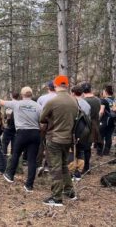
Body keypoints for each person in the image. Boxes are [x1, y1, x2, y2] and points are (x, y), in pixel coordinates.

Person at [40, 75, 78, 206]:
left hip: (54, 138)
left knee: (55, 168)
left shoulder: (52, 101)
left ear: (55, 86)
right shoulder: (74, 101)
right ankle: (70, 191)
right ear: (66, 86)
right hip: (68, 139)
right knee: (63, 166)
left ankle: (56, 198)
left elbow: (42, 118)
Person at [1, 87, 42, 192]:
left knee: (16, 154)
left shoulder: (17, 104)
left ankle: (10, 175)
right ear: (31, 94)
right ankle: (29, 185)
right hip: (35, 133)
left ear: (22, 94)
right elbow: (42, 121)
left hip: (22, 133)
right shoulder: (38, 106)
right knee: (32, 159)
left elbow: (1, 102)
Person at [36, 81, 57, 175]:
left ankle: (38, 165)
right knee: (50, 144)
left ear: (48, 88)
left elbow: (37, 111)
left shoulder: (42, 98)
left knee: (40, 144)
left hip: (42, 123)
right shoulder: (59, 98)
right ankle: (47, 166)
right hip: (55, 124)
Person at [71, 85, 91, 180]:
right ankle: (78, 173)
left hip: (74, 129)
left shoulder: (72, 103)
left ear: (73, 93)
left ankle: (71, 172)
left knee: (71, 151)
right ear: (82, 93)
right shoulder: (87, 104)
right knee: (81, 150)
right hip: (84, 130)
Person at [82, 82, 102, 173]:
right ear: (90, 89)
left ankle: (85, 167)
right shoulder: (97, 100)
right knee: (88, 147)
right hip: (95, 126)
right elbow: (99, 113)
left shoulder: (83, 101)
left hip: (85, 126)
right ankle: (87, 166)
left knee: (83, 147)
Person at [99, 85, 116, 156]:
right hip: (113, 120)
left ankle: (99, 151)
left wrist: (99, 118)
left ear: (106, 92)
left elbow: (101, 111)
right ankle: (106, 151)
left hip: (104, 120)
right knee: (109, 136)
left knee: (101, 135)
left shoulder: (103, 100)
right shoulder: (114, 100)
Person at [1, 92, 19, 157]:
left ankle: (4, 156)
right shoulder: (20, 104)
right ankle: (13, 158)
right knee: (14, 143)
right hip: (17, 127)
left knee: (4, 143)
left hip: (8, 127)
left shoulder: (9, 104)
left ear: (12, 96)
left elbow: (5, 116)